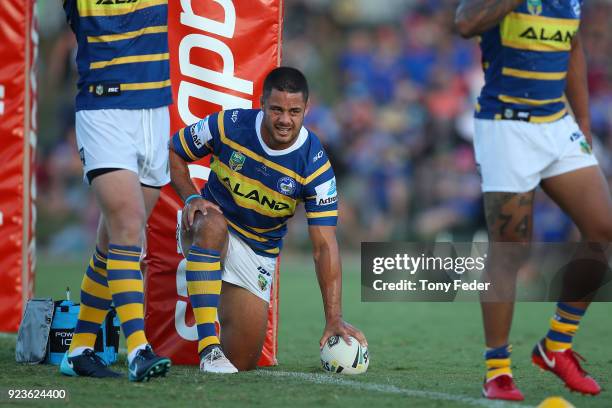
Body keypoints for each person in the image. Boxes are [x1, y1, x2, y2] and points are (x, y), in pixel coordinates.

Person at [456, 0, 612, 401]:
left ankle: (556, 346)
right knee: (510, 249)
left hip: (557, 125)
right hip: (505, 127)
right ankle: (498, 371)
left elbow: (573, 48)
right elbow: (464, 22)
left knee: (603, 228)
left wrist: (583, 119)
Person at [169, 66, 367, 372]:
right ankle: (209, 346)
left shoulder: (315, 166)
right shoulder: (229, 124)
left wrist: (334, 317)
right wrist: (191, 197)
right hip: (208, 225)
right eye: (276, 109)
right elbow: (175, 150)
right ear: (262, 104)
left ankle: (214, 301)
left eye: (294, 111)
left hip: (257, 251)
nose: (285, 120)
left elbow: (324, 246)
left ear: (306, 110)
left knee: (242, 361)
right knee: (211, 221)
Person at [59, 0, 172, 381]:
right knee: (129, 227)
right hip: (103, 111)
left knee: (115, 241)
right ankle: (138, 347)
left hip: (155, 111)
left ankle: (78, 350)